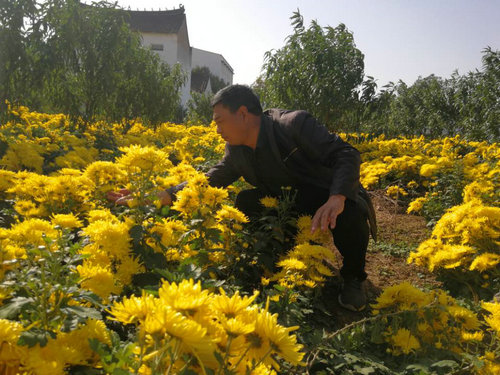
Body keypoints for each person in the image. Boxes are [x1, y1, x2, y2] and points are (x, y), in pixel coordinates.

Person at [109, 84, 376, 312]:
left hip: (324, 195)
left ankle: (354, 277)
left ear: (243, 114)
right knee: (246, 203)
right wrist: (163, 195)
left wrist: (337, 197)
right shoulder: (236, 150)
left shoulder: (292, 125)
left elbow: (347, 154)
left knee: (350, 211)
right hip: (288, 202)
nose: (217, 129)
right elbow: (213, 177)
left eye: (219, 120)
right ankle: (278, 258)